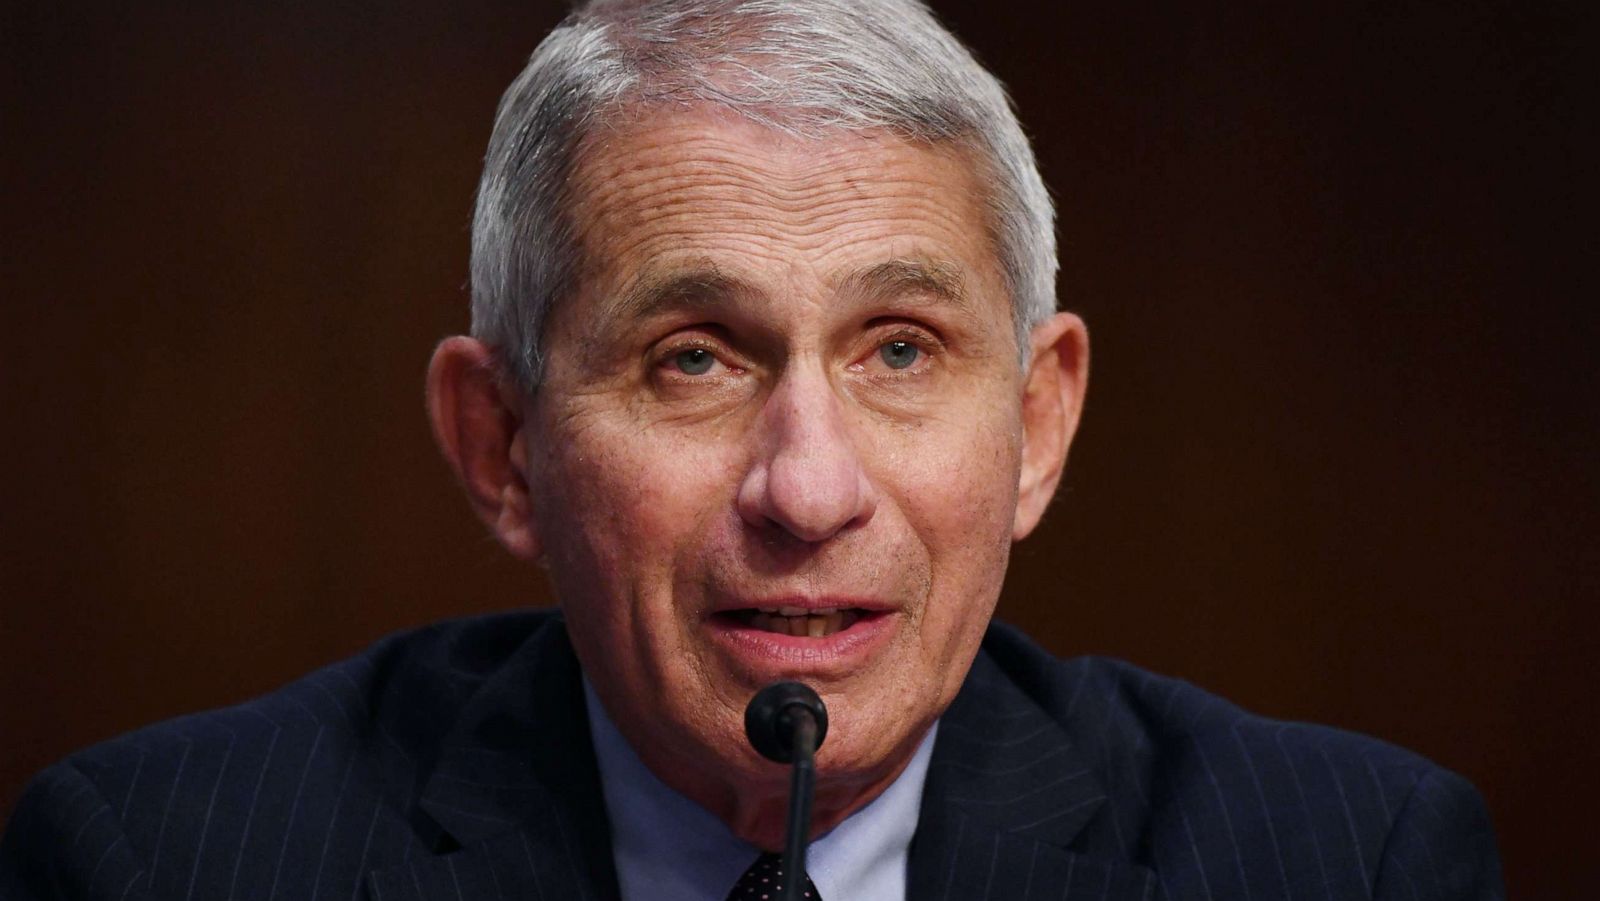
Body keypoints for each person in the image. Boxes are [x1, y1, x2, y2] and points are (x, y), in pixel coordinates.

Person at [0, 1, 1503, 899]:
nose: (808, 487)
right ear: (502, 445)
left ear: (1038, 423)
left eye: (900, 349)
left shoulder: (1342, 860)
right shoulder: (160, 861)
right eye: (696, 359)